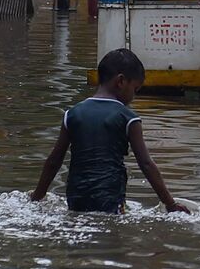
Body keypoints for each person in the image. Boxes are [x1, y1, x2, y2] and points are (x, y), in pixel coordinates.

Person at [31, 48, 190, 214]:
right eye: (135, 89)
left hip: (76, 198)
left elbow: (54, 161)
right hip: (110, 200)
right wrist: (170, 204)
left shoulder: (72, 114)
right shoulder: (128, 118)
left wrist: (37, 197)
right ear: (121, 81)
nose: (134, 96)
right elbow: (146, 164)